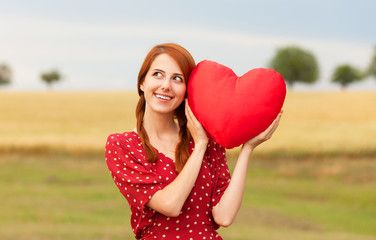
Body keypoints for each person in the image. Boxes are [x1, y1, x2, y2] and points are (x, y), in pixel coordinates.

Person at [105, 43, 282, 240]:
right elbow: (170, 205)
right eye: (158, 74)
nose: (166, 85)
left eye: (177, 79)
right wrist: (199, 147)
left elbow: (224, 216)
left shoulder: (208, 139)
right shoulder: (122, 145)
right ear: (142, 82)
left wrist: (247, 149)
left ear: (186, 90)